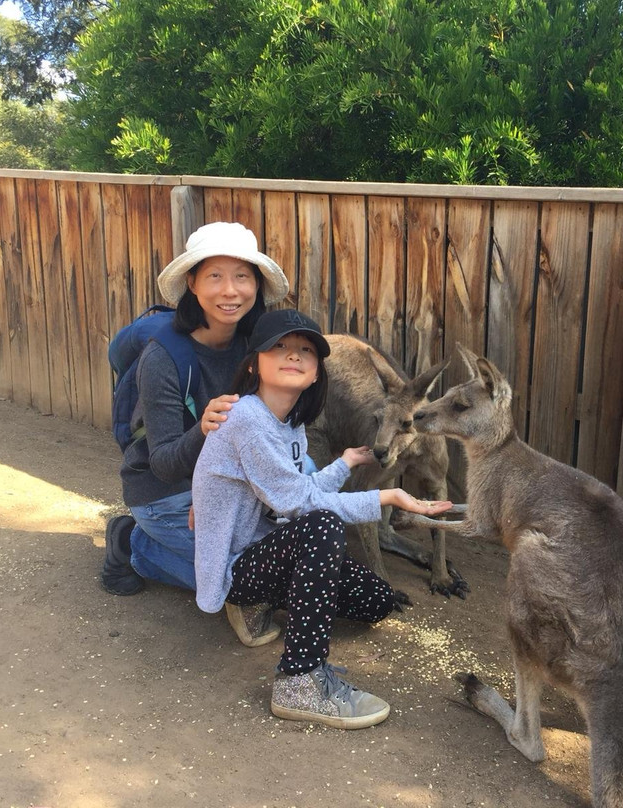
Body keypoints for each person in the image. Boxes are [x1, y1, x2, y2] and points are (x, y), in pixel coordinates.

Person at [192, 308, 452, 729]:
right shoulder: (246, 420)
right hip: (240, 563)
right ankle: (300, 680)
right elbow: (300, 505)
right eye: (280, 347)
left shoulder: (289, 424)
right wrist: (386, 496)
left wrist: (345, 463)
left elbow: (303, 489)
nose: (293, 355)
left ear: (316, 373)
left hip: (271, 548)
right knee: (323, 527)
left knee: (376, 601)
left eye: (305, 351)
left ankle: (267, 602)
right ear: (255, 362)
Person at [102, 221, 291, 648]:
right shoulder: (164, 357)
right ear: (192, 282)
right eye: (215, 276)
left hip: (232, 488)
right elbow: (164, 462)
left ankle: (216, 565)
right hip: (166, 493)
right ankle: (132, 542)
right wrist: (204, 429)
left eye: (242, 276)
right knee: (257, 578)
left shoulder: (261, 346)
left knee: (292, 557)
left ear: (256, 284)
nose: (231, 291)